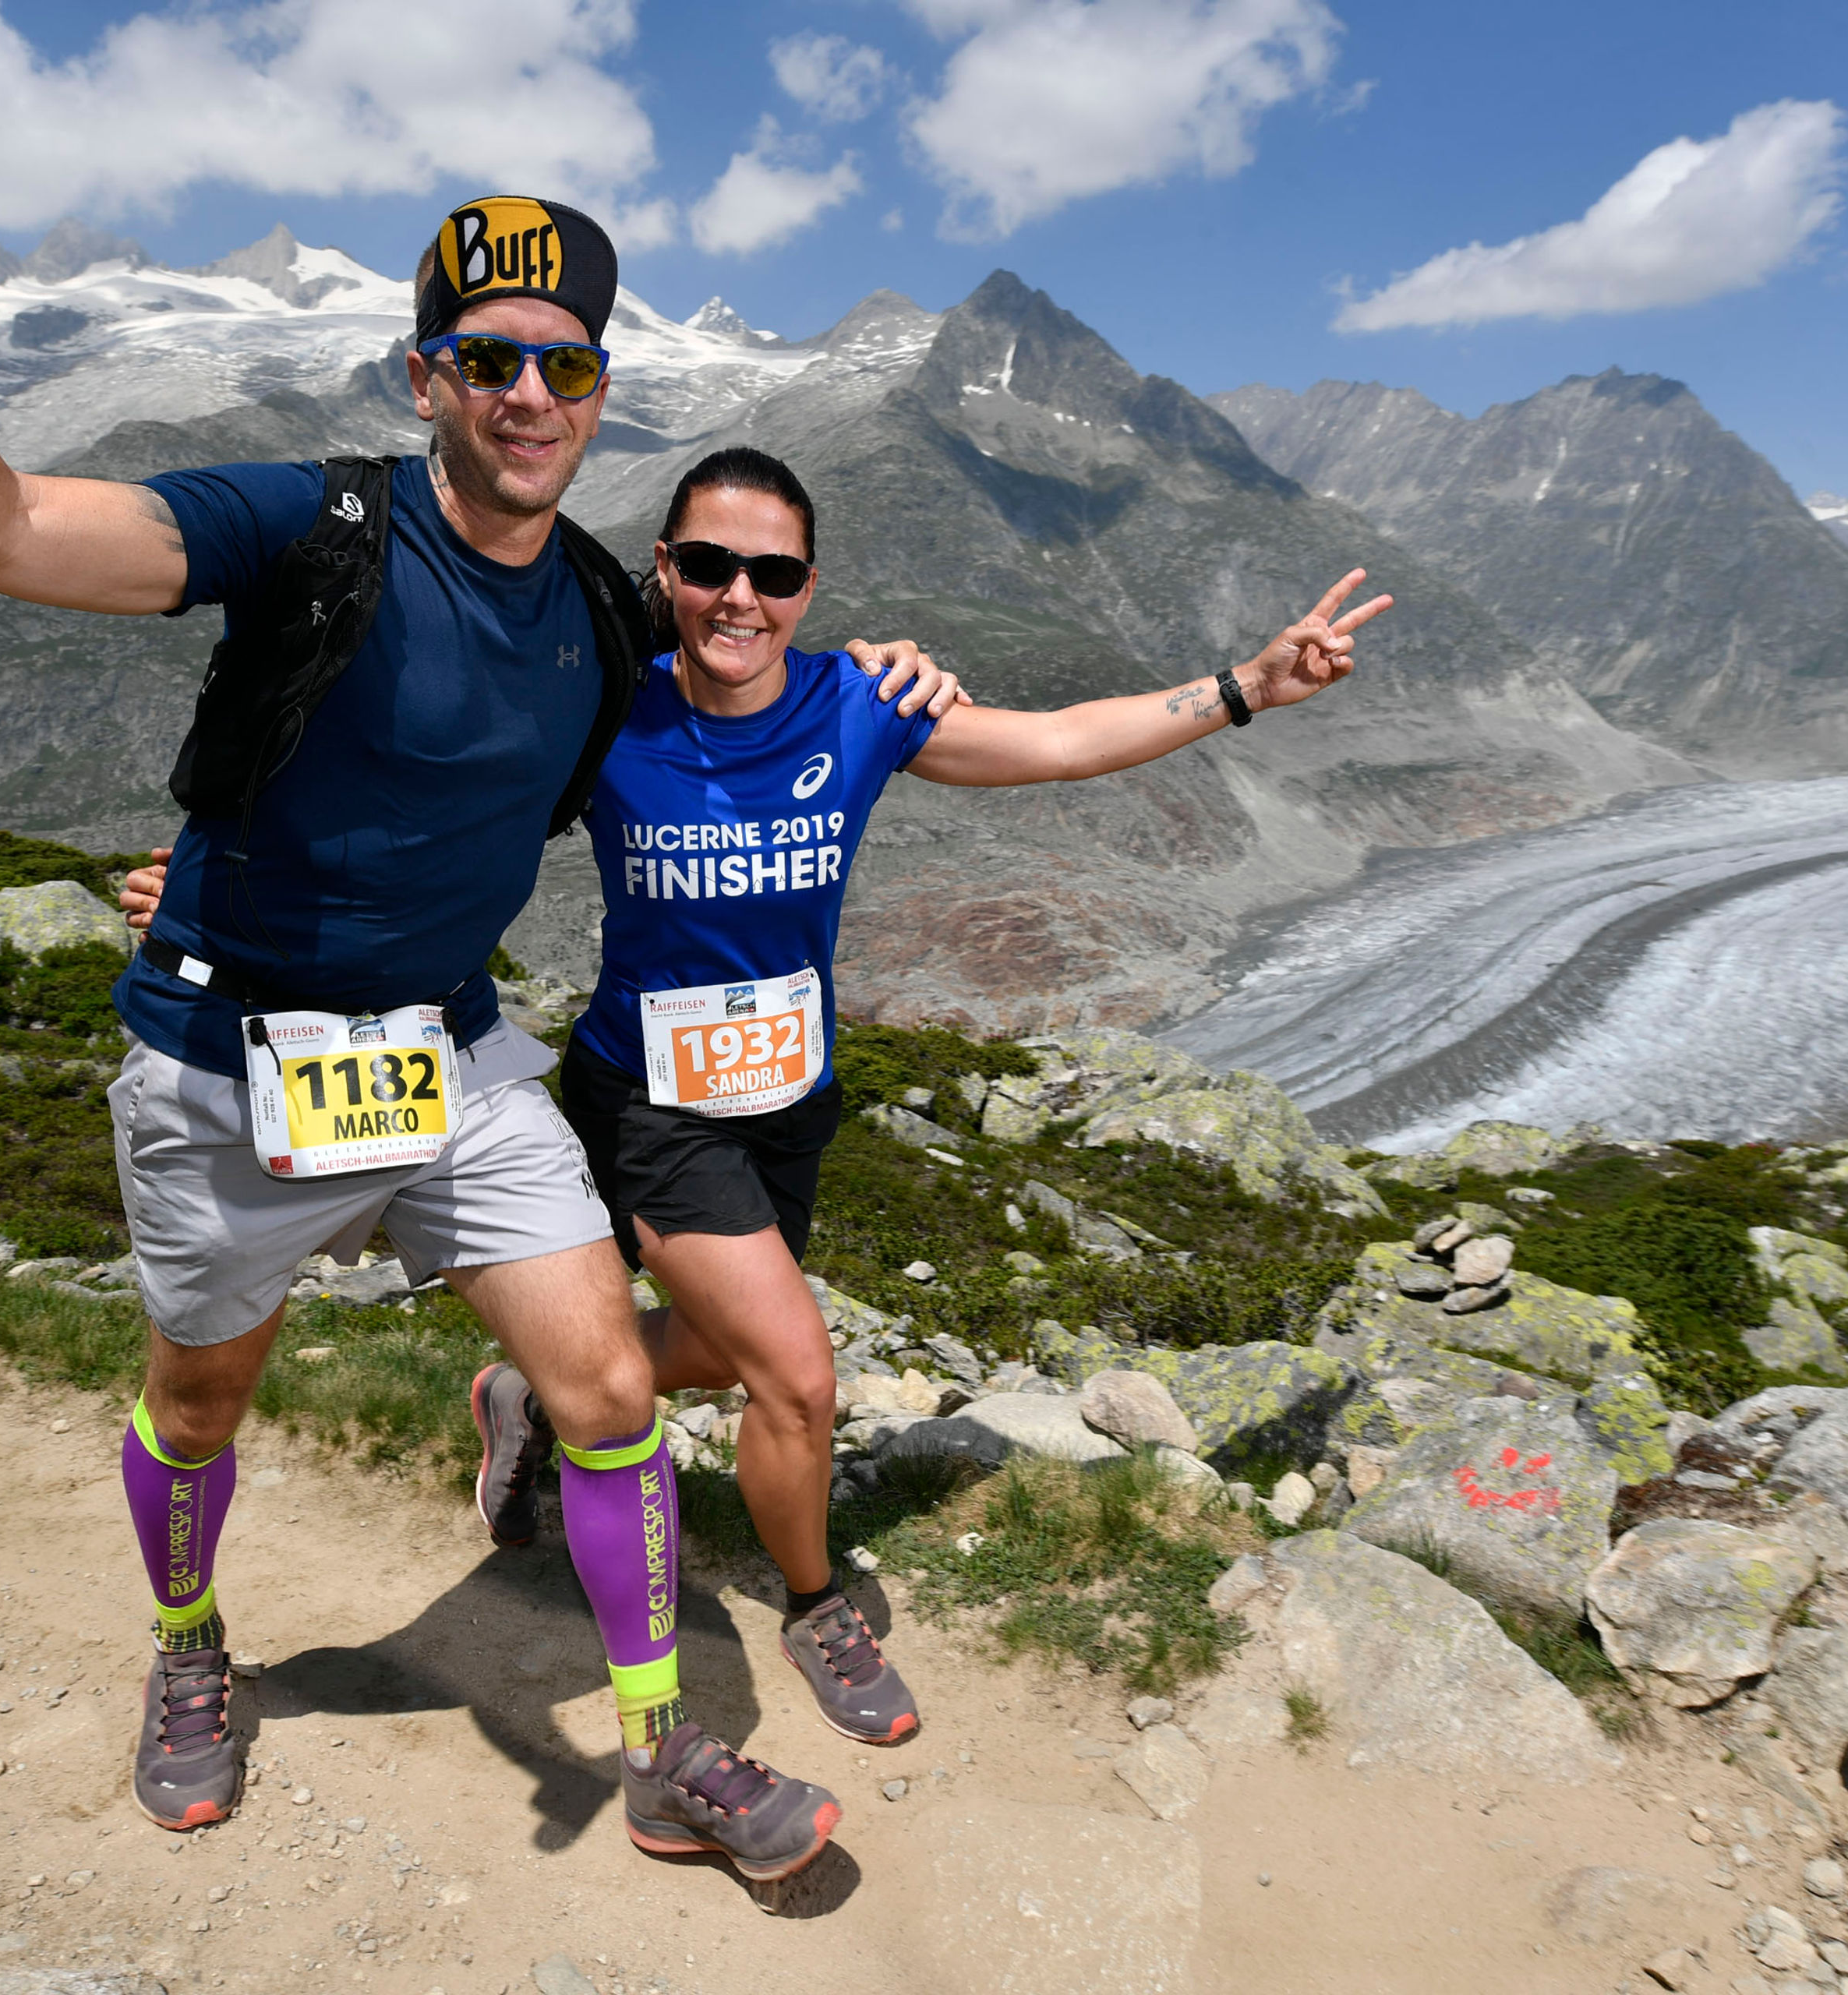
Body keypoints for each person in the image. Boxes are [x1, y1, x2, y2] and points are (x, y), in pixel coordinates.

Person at [0, 24, 956, 1882]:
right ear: (428, 375)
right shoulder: (311, 528)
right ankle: (188, 1649)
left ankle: (655, 1751)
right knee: (204, 1394)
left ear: (600, 391)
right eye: (487, 359)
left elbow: (739, 696)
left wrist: (897, 692)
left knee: (612, 1386)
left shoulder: (614, 615)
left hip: (452, 1059)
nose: (525, 392)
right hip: (232, 1061)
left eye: (559, 362)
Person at [124, 447, 1386, 1746]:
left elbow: (1061, 744)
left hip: (789, 1099)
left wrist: (1247, 689)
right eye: (711, 565)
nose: (741, 596)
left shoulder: (860, 704)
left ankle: (527, 1400)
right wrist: (226, 895)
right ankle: (816, 1601)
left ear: (807, 588)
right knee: (796, 1374)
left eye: (772, 573)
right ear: (663, 571)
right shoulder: (609, 708)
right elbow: (418, 781)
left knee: (728, 1346)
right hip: (650, 1101)